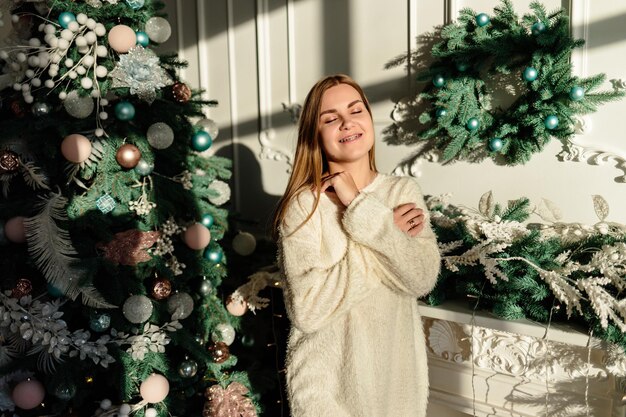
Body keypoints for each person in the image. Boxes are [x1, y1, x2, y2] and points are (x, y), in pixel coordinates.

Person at [272, 74, 440, 417]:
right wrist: (383, 231)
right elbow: (308, 309)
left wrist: (361, 208)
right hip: (326, 394)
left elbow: (421, 278)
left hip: (397, 387)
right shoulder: (305, 207)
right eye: (330, 118)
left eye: (356, 110)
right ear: (314, 135)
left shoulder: (400, 193)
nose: (347, 122)